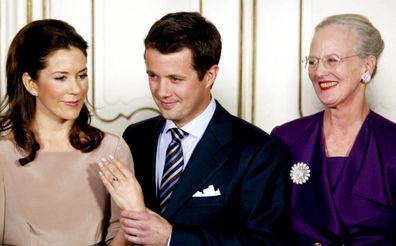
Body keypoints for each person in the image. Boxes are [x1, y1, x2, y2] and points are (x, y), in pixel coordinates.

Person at [99, 11, 291, 245]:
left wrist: (171, 238)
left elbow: (266, 242)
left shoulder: (258, 151)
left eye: (175, 79)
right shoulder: (135, 137)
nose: (161, 92)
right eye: (153, 76)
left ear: (209, 75)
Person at [0, 19, 132, 245]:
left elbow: (124, 229)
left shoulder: (112, 150)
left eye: (82, 75)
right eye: (61, 78)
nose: (76, 89)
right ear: (31, 84)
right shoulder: (3, 154)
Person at [271, 14, 396, 245]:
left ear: (367, 66)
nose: (319, 72)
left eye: (332, 60)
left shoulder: (393, 144)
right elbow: (266, 230)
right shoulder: (286, 139)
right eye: (313, 61)